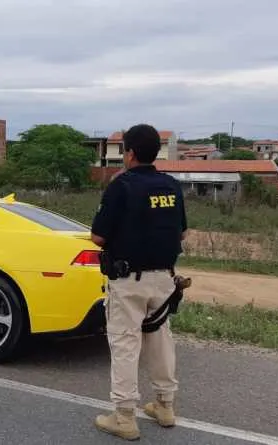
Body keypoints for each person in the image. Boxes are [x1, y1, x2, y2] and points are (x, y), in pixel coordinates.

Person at [91, 123, 187, 441]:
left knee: (125, 345)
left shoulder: (122, 186)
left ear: (129, 153)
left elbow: (98, 236)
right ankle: (164, 405)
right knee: (160, 341)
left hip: (128, 280)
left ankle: (124, 416)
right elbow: (182, 231)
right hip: (164, 280)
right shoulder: (171, 186)